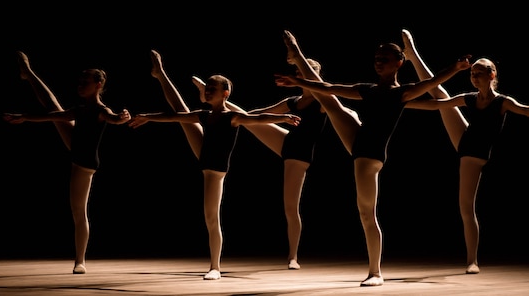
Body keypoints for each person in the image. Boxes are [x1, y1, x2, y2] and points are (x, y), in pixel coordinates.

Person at [274, 30, 471, 286]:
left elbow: (432, 83)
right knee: (332, 102)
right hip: (357, 139)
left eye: (385, 58)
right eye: (377, 58)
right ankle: (297, 54)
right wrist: (299, 82)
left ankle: (375, 272)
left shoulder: (402, 93)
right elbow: (329, 87)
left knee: (367, 213)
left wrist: (455, 68)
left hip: (370, 155)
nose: (378, 62)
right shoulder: (368, 89)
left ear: (399, 63)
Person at [128, 50, 301, 281]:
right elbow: (173, 117)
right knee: (181, 113)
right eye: (206, 88)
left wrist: (282, 118)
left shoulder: (232, 117)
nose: (208, 91)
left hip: (215, 171)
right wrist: (148, 116)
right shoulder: (204, 114)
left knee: (211, 217)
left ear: (225, 93)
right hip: (204, 157)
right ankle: (160, 75)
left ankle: (215, 267)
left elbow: (256, 119)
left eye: (212, 89)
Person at [401, 29, 529, 274]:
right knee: (440, 92)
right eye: (472, 73)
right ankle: (413, 54)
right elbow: (438, 104)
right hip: (465, 139)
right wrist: (403, 102)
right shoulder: (470, 98)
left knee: (466, 207)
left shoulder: (502, 101)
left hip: (475, 153)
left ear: (492, 75)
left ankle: (473, 260)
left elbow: (524, 110)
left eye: (479, 73)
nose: (475, 77)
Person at [192, 56, 340, 270]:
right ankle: (210, 100)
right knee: (246, 120)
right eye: (297, 73)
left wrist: (352, 115)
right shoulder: (293, 102)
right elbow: (257, 115)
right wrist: (230, 114)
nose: (299, 77)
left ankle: (293, 256)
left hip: (299, 154)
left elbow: (340, 108)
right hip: (285, 140)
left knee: (290, 207)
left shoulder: (322, 102)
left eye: (303, 74)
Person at [3, 51, 131, 275]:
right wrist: (25, 117)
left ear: (98, 85)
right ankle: (29, 73)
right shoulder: (80, 110)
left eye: (85, 82)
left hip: (84, 162)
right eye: (79, 81)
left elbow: (114, 119)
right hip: (77, 148)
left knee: (79, 213)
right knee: (53, 106)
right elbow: (52, 116)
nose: (80, 85)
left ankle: (80, 260)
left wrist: (122, 118)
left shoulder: (101, 110)